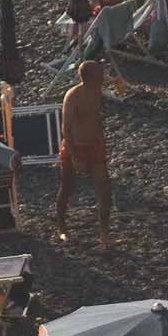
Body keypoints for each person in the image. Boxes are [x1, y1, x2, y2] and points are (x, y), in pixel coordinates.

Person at [55, 59, 112, 247]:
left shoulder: (97, 93)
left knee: (104, 188)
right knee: (67, 187)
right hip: (75, 146)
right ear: (90, 77)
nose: (103, 78)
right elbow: (66, 129)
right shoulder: (73, 96)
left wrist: (102, 142)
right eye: (100, 75)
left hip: (94, 145)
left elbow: (96, 119)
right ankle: (62, 227)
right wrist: (73, 156)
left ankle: (104, 234)